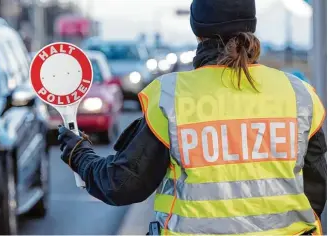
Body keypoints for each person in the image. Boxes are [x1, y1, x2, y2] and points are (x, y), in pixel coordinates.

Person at [57, 0, 326, 235]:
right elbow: (315, 188)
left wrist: (80, 155)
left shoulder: (171, 97)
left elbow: (121, 184)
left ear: (198, 33)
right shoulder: (297, 94)